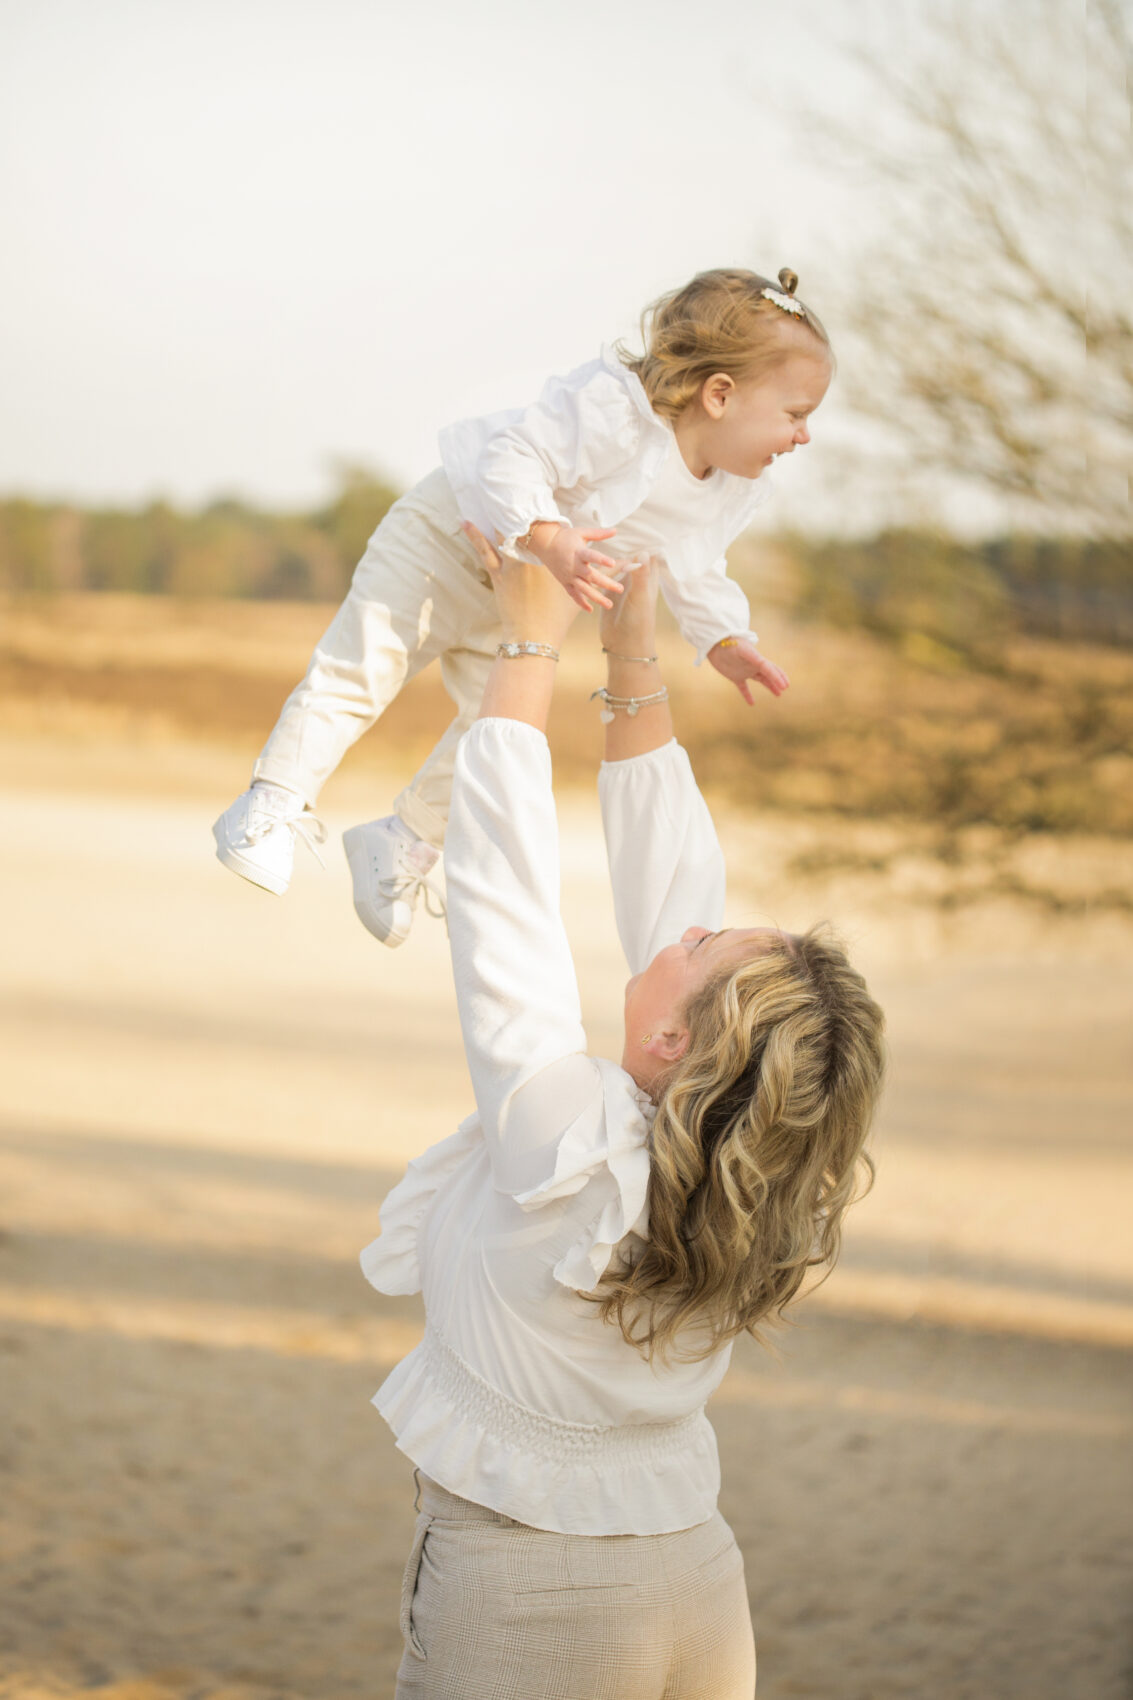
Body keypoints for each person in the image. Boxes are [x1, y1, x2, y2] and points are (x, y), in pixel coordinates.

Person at [360, 529, 886, 1698]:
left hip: (531, 1600)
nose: (685, 924)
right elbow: (672, 893)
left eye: (701, 944)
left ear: (666, 1044)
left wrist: (528, 639)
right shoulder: (744, 1159)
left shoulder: (566, 1138)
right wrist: (634, 650)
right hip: (695, 1584)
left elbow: (502, 895)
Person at [211, 267, 833, 948]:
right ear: (719, 395)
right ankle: (271, 803)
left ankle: (404, 838)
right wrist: (547, 536)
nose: (802, 436)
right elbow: (513, 455)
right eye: (795, 414)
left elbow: (695, 565)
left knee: (496, 732)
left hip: (524, 603)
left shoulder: (729, 490)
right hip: (451, 538)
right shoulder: (615, 413)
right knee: (363, 665)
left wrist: (723, 639)